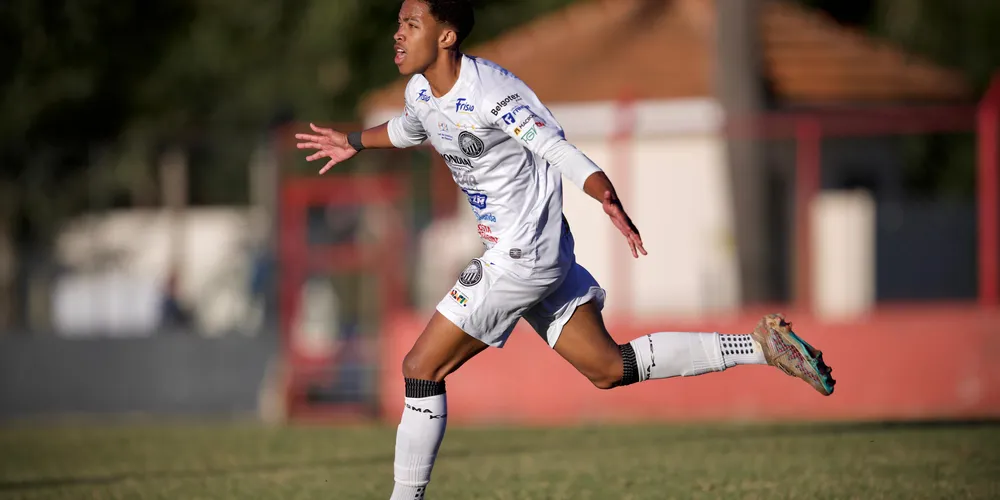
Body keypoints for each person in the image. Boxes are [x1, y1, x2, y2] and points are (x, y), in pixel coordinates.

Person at [295, 1, 836, 498]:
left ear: (446, 35)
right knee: (608, 367)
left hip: (521, 255)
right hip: (538, 257)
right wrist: (355, 141)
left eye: (412, 24)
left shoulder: (494, 93)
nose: (398, 33)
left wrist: (606, 193)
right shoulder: (420, 91)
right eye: (399, 22)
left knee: (420, 368)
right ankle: (759, 346)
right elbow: (414, 128)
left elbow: (553, 147)